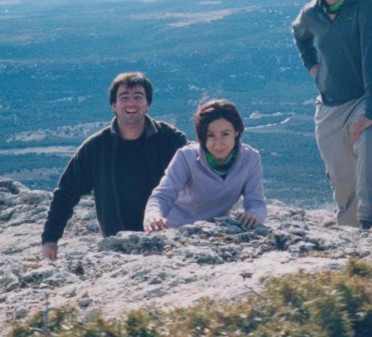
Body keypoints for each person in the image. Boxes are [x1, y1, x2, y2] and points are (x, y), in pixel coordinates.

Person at [291, 0, 372, 229]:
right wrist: (314, 68)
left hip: (367, 94)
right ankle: (350, 234)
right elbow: (300, 35)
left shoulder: (365, 6)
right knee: (342, 179)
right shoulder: (311, 13)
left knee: (369, 138)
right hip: (330, 103)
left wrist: (371, 111)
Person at [40, 72, 187, 259]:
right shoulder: (96, 148)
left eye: (138, 97)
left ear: (148, 104)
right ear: (114, 105)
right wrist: (50, 239)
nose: (131, 103)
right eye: (124, 97)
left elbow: (199, 171)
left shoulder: (170, 139)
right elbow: (66, 193)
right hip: (119, 248)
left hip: (168, 242)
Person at [143, 99, 266, 231]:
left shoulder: (250, 158)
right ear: (202, 136)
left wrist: (254, 215)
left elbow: (256, 202)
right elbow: (163, 195)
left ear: (236, 132)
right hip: (177, 230)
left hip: (217, 230)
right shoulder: (186, 157)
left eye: (225, 134)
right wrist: (153, 215)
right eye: (211, 135)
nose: (218, 143)